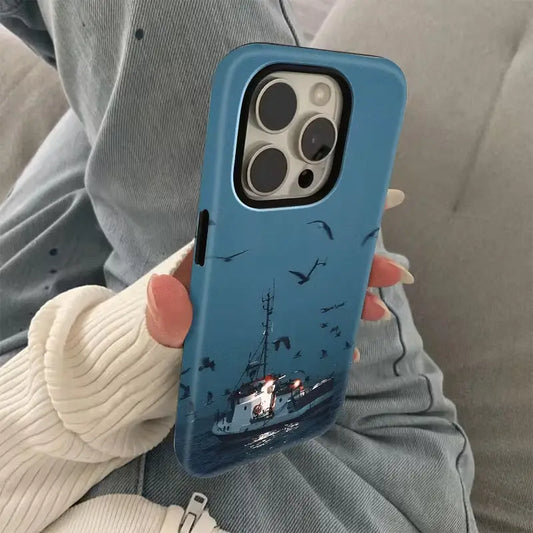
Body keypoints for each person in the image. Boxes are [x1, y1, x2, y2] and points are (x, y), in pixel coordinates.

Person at [0, 1, 477, 532]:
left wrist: (125, 362)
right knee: (157, 49)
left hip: (28, 405)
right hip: (338, 473)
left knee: (134, 79)